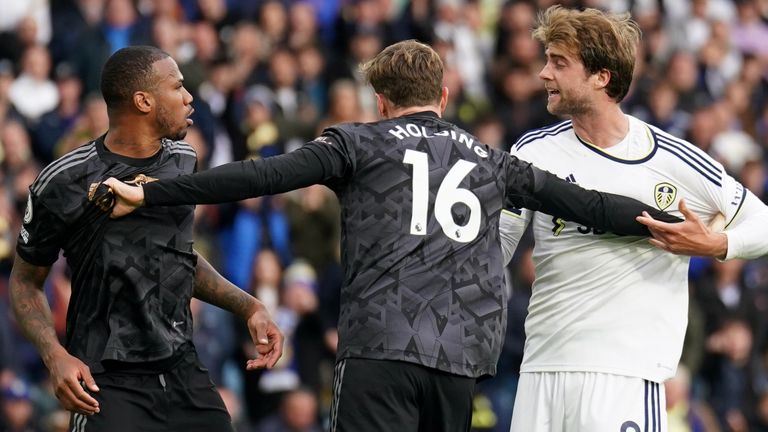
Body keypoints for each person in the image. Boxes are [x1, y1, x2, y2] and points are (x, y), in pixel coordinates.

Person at [98, 40, 681, 432]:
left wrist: (149, 191)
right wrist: (676, 230)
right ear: (444, 98)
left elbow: (261, 175)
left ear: (380, 101)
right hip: (459, 360)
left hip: (380, 346)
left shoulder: (359, 143)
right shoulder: (494, 162)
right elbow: (590, 204)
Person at [498, 6, 768, 432]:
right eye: (546, 60)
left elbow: (763, 223)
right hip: (541, 369)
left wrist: (716, 245)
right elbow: (494, 253)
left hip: (624, 374)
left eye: (559, 63)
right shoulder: (532, 152)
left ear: (601, 76)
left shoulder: (673, 159)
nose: (544, 74)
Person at [9, 46, 284, 432]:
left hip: (183, 367)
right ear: (143, 101)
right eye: (178, 87)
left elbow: (179, 257)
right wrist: (55, 356)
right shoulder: (63, 180)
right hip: (105, 379)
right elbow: (24, 282)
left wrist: (249, 306)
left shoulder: (183, 160)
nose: (190, 98)